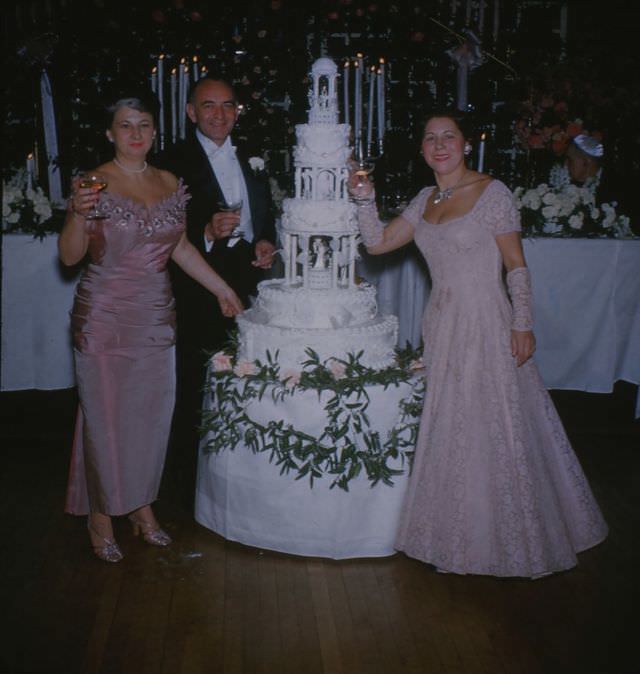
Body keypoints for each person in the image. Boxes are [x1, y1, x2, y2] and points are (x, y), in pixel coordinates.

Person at [348, 110, 608, 578]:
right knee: (454, 426)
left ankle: (515, 538)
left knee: (497, 421)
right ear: (423, 149)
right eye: (431, 138)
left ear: (467, 144)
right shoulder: (426, 198)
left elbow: (516, 265)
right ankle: (455, 537)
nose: (440, 144)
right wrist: (365, 199)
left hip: (489, 321)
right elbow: (378, 243)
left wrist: (523, 323)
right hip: (442, 324)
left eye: (450, 136)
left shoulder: (493, 193)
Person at [59, 88, 243, 563]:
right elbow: (69, 256)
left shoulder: (167, 181)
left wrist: (222, 288)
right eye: (125, 125)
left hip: (156, 317)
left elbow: (179, 248)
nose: (136, 134)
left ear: (156, 130)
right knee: (104, 419)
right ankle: (101, 515)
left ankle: (141, 507)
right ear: (109, 132)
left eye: (143, 124)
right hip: (103, 315)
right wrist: (78, 215)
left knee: (149, 419)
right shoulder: (93, 183)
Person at [157, 76, 277, 507]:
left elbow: (266, 211)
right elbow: (159, 231)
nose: (220, 114)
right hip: (197, 285)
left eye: (228, 106)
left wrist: (265, 239)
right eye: (208, 106)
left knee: (246, 378)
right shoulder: (170, 161)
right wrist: (205, 231)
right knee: (198, 380)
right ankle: (188, 487)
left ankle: (241, 478)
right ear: (191, 112)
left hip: (250, 280)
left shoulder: (253, 154)